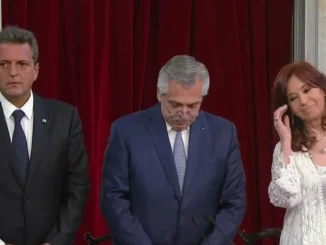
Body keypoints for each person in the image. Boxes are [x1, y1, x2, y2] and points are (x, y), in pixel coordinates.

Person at [101, 55, 246, 245]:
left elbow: (234, 202)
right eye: (175, 104)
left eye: (193, 105)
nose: (184, 113)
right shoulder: (126, 131)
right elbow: (113, 198)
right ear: (160, 94)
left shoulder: (223, 134)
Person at [0, 26, 90, 245]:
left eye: (22, 64)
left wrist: (55, 242)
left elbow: (77, 187)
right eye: (3, 64)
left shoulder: (65, 118)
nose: (13, 72)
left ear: (36, 70)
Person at [268, 61, 326, 245]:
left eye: (307, 90)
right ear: (288, 108)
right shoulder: (286, 148)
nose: (303, 100)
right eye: (293, 98)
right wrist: (286, 141)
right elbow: (288, 197)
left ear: (322, 89)